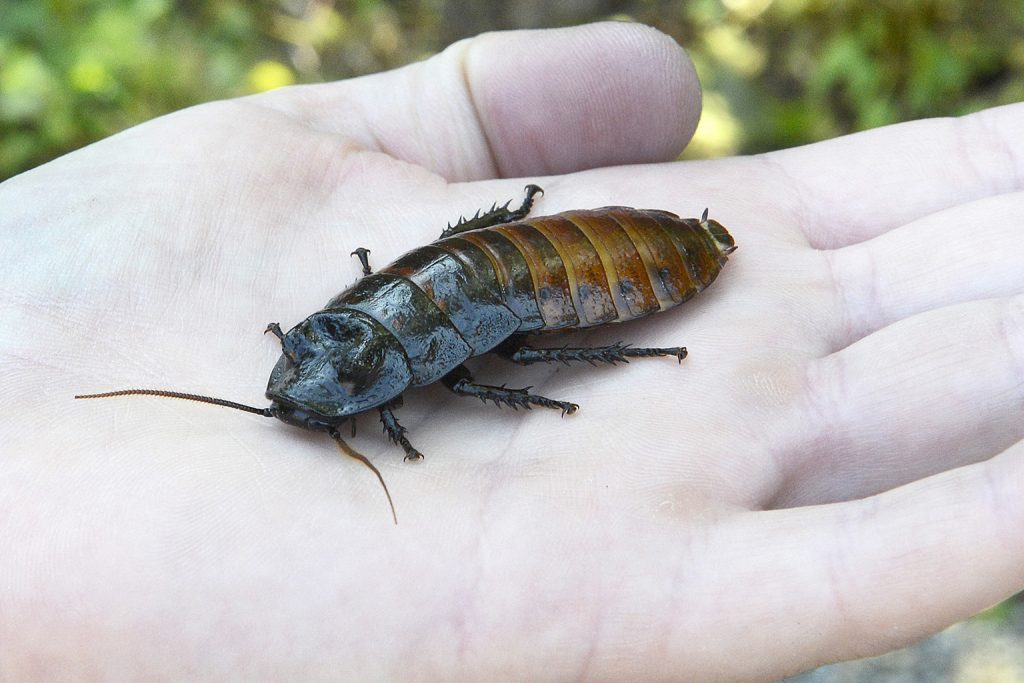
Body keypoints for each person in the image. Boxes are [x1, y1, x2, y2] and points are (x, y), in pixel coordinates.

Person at [0, 21, 1020, 680]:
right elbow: (437, 338)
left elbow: (488, 371)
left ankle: (613, 322)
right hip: (513, 258)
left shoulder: (383, 370)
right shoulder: (357, 344)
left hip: (582, 258)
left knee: (518, 356)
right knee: (509, 338)